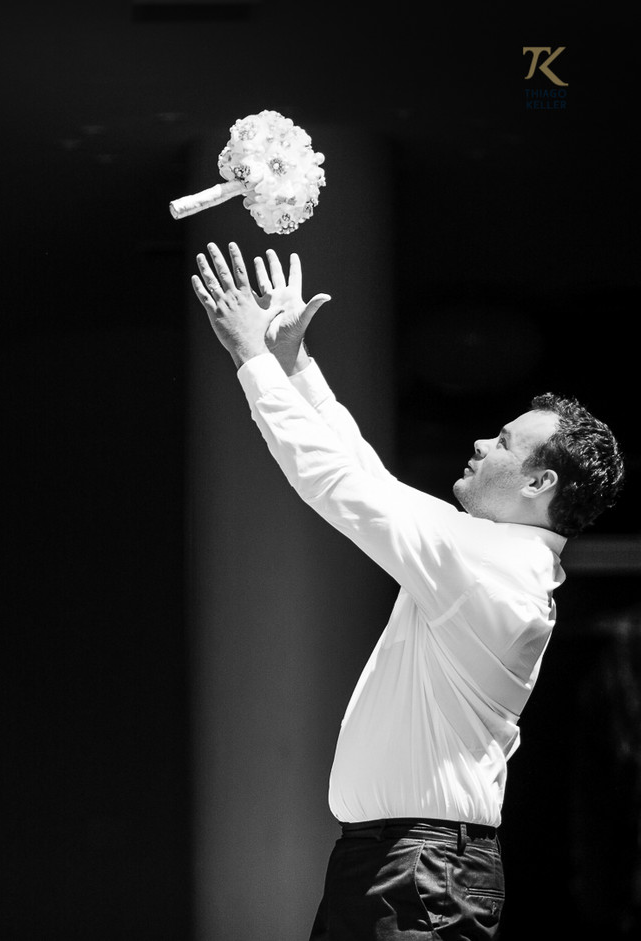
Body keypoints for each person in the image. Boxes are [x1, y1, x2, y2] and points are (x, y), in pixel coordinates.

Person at [190, 243, 625, 940]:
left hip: (421, 869)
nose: (481, 442)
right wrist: (295, 364)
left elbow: (338, 483)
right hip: (404, 863)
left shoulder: (487, 561)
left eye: (504, 442)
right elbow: (368, 477)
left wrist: (250, 354)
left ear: (539, 482)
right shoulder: (492, 554)